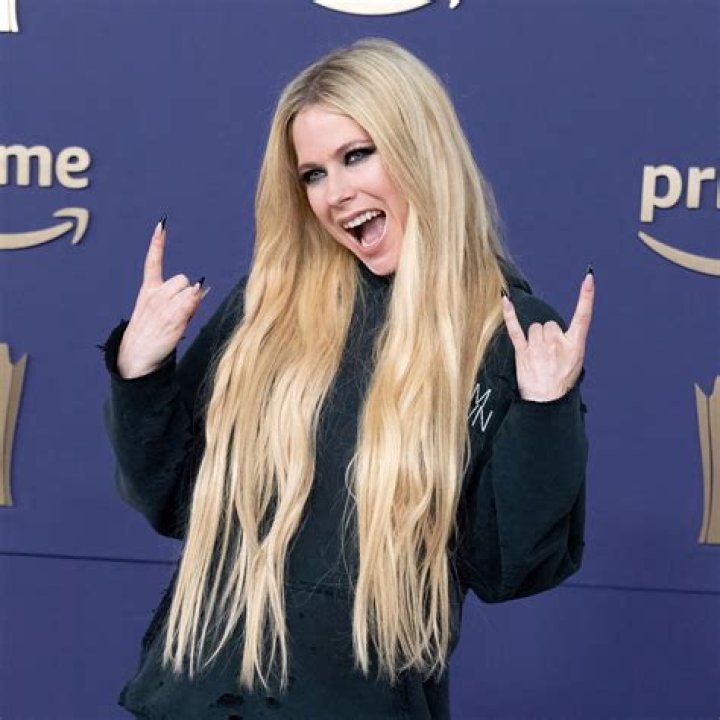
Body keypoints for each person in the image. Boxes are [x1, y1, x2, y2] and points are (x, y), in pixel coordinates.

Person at [103, 38, 592, 720]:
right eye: (313, 174)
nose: (336, 195)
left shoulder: (506, 331)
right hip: (195, 697)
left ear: (420, 147)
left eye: (357, 155)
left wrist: (544, 411)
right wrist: (141, 371)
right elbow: (169, 498)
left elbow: (507, 567)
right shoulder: (268, 307)